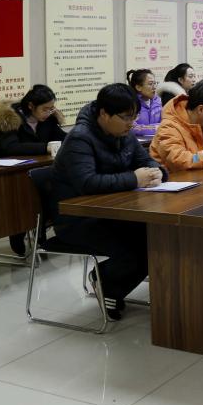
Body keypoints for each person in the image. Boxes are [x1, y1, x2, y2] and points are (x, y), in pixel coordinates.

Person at [50, 83, 165, 320]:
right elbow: (87, 183)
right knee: (137, 247)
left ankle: (112, 285)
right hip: (77, 219)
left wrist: (157, 172)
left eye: (134, 117)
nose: (131, 123)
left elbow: (146, 160)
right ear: (104, 114)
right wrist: (134, 178)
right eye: (125, 117)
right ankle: (105, 281)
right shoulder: (80, 138)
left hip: (114, 211)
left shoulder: (124, 134)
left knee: (158, 239)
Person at [0, 84, 67, 256]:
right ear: (31, 106)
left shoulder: (49, 118)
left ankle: (42, 234)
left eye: (51, 108)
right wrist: (44, 147)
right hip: (10, 173)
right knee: (26, 197)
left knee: (51, 190)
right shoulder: (11, 118)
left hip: (39, 169)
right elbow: (9, 147)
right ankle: (17, 231)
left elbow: (61, 137)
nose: (49, 112)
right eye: (45, 109)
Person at [127, 68, 160, 137]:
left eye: (155, 83)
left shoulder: (158, 101)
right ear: (138, 87)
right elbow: (132, 128)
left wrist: (146, 128)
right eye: (150, 84)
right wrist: (156, 128)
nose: (154, 87)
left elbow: (167, 124)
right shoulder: (131, 104)